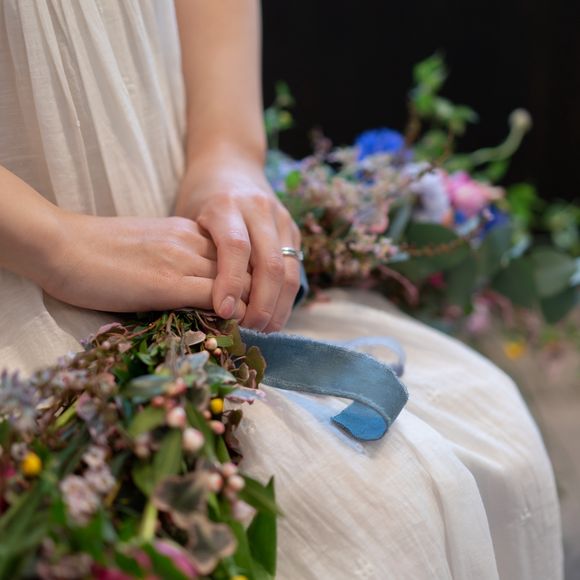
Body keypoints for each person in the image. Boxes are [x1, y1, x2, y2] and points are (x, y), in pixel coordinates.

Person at [0, 1, 562, 579]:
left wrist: (226, 160)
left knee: (497, 441)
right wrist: (61, 244)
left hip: (175, 214)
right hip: (18, 279)